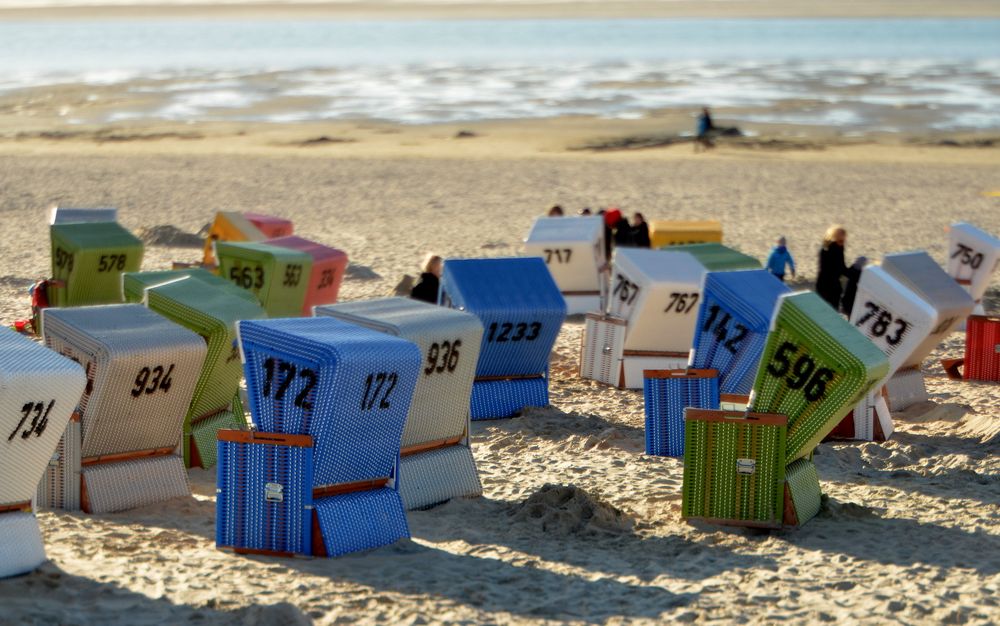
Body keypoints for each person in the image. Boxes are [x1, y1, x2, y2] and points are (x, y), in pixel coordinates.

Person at [816, 225, 849, 311]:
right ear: (835, 237)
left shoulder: (835, 247)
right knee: (829, 310)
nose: (843, 242)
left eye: (844, 240)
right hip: (827, 285)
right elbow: (840, 268)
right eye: (841, 240)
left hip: (830, 285)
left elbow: (841, 268)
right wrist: (855, 271)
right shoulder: (829, 250)